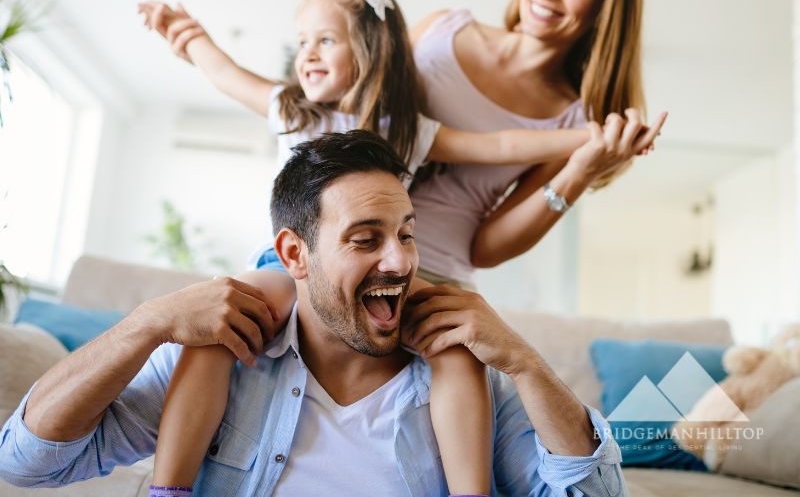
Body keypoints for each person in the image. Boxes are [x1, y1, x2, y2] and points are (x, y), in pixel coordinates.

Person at [138, 0, 645, 496]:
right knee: (217, 329)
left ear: (368, 50)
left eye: (325, 40)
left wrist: (595, 138)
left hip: (375, 273)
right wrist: (189, 36)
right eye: (303, 41)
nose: (307, 54)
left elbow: (502, 145)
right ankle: (169, 489)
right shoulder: (292, 108)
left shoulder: (408, 129)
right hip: (284, 266)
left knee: (456, 349)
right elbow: (225, 73)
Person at [0, 130, 628, 496]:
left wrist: (526, 363)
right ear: (295, 254)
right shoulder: (227, 354)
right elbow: (26, 462)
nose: (400, 261)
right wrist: (147, 323)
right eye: (366, 239)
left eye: (406, 234)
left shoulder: (468, 373)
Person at [408, 0, 666, 284]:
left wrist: (579, 173)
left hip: (430, 274)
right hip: (341, 244)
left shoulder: (573, 121)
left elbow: (485, 250)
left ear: (603, 9)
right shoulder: (439, 29)